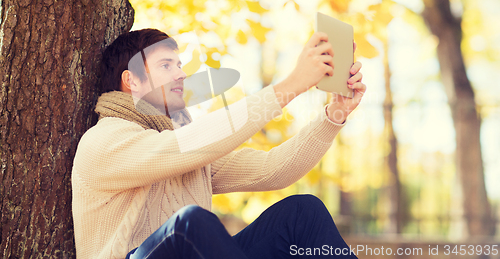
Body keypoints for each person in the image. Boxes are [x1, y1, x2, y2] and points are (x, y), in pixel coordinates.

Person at [71, 28, 366, 259]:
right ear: (131, 81)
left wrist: (334, 114)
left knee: (303, 212)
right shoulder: (105, 140)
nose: (181, 74)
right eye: (166, 65)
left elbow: (272, 169)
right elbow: (188, 145)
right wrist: (291, 86)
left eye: (180, 65)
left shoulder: (182, 146)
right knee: (189, 225)